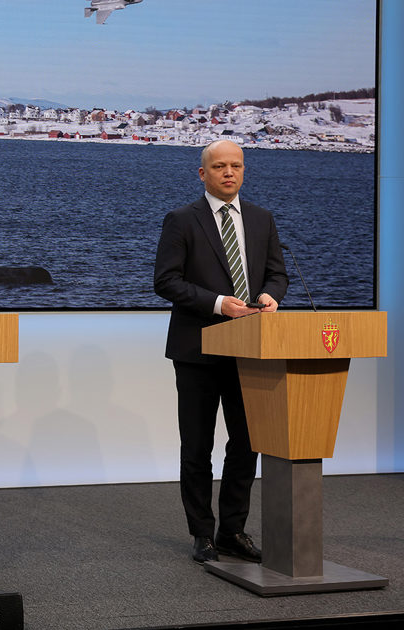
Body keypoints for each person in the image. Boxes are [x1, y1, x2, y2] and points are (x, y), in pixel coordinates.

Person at [154, 139, 288, 564]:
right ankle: (202, 534)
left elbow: (277, 274)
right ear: (203, 173)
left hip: (250, 350)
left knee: (246, 444)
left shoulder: (262, 219)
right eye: (219, 166)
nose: (229, 172)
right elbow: (166, 281)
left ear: (244, 171)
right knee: (198, 446)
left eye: (236, 166)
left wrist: (269, 295)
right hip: (198, 350)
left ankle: (232, 531)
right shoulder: (181, 220)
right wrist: (217, 304)